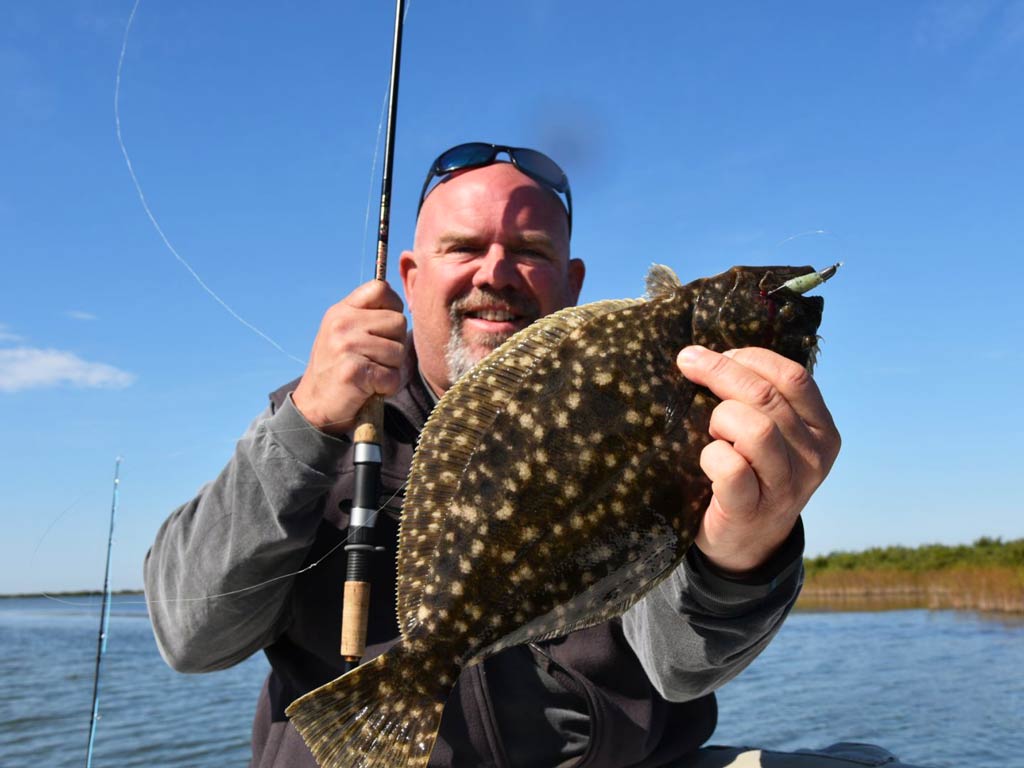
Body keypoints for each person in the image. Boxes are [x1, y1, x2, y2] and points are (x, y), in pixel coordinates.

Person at [145, 142, 854, 768]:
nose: (496, 272)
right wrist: (303, 425)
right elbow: (189, 636)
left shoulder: (672, 415)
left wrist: (741, 559)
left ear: (573, 282)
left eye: (530, 253)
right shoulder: (314, 428)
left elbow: (677, 668)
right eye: (464, 247)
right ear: (411, 275)